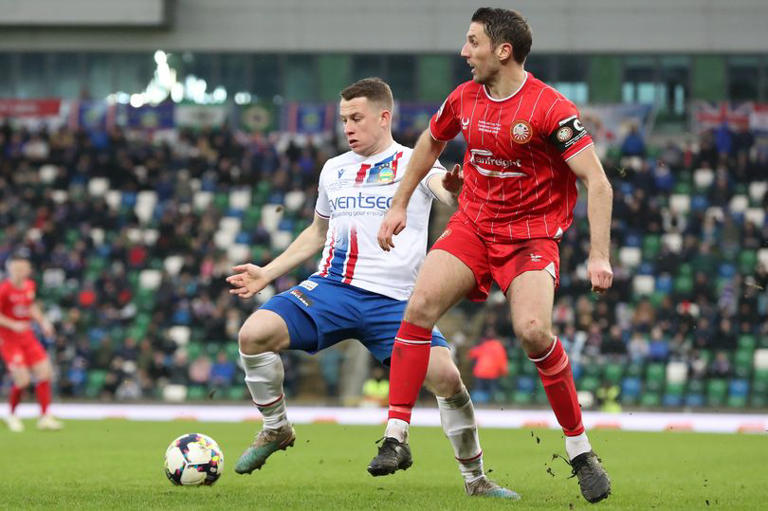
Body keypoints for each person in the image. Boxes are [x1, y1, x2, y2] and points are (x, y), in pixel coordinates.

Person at [227, 77, 518, 499]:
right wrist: (266, 273)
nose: (348, 127)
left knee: (448, 378)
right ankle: (276, 428)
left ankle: (476, 480)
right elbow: (317, 232)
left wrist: (454, 189)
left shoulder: (413, 161)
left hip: (396, 303)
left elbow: (442, 188)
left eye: (356, 118)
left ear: (384, 117)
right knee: (253, 334)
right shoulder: (334, 168)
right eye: (344, 119)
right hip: (333, 289)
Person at [371, 8, 613, 503]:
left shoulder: (550, 108)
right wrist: (399, 203)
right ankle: (395, 436)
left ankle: (580, 450)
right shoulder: (464, 97)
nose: (464, 52)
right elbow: (429, 143)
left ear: (503, 51)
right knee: (419, 308)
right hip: (474, 226)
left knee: (533, 332)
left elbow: (598, 181)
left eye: (473, 42)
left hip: (530, 237)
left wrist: (599, 256)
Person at [0, 251, 63, 431]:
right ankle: (12, 415)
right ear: (11, 270)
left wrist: (43, 322)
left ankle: (44, 416)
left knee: (45, 372)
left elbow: (31, 306)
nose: (20, 272)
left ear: (28, 270)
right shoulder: (4, 290)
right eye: (16, 268)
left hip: (27, 337)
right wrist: (12, 324)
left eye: (23, 268)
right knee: (23, 380)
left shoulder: (29, 286)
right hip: (9, 340)